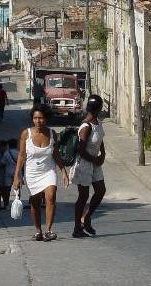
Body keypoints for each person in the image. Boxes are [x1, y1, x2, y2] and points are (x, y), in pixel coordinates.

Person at [12, 104, 69, 242]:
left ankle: (48, 230)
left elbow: (55, 154)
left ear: (46, 119)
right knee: (35, 202)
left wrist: (63, 171)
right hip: (32, 173)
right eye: (35, 118)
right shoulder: (26, 134)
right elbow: (21, 156)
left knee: (51, 197)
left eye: (41, 118)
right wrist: (16, 177)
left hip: (48, 171)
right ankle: (38, 230)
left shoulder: (52, 134)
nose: (38, 121)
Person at [70, 94, 106, 238]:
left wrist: (102, 154)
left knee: (100, 190)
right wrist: (94, 159)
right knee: (83, 196)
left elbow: (101, 139)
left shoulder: (98, 122)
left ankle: (87, 217)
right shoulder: (86, 126)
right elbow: (81, 150)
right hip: (84, 163)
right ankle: (77, 228)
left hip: (95, 161)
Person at [2, 137, 19, 206]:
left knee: (7, 188)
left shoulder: (6, 153)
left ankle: (6, 203)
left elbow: (3, 162)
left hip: (8, 171)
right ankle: (17, 202)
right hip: (17, 172)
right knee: (17, 189)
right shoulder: (18, 153)